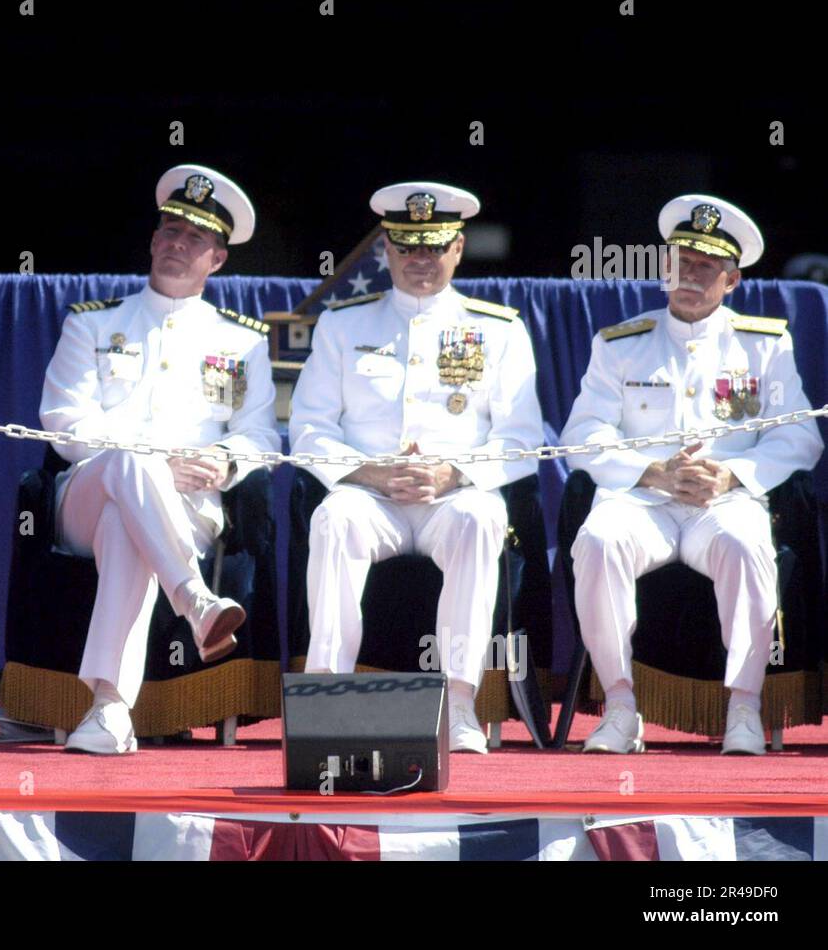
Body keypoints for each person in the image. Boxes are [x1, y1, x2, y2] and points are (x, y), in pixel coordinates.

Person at [560, 194, 824, 755]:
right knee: (598, 540)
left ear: (731, 281)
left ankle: (745, 707)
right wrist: (651, 471)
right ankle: (622, 704)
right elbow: (581, 437)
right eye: (680, 261)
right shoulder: (620, 344)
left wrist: (730, 477)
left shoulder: (764, 344)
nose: (688, 274)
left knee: (746, 545)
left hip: (722, 502)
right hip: (644, 501)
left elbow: (799, 437)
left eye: (705, 266)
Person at [290, 182, 543, 753]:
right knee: (332, 520)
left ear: (458, 247)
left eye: (433, 247)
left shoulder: (499, 328)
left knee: (481, 520)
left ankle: (458, 704)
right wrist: (368, 472)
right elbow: (309, 427)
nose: (420, 261)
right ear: (386, 249)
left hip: (453, 496)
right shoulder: (343, 325)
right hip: (370, 495)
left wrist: (455, 473)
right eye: (407, 248)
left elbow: (523, 437)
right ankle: (327, 698)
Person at [39, 164, 280, 754]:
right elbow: (63, 423)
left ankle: (110, 710)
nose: (178, 244)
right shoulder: (93, 323)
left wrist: (224, 462)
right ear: (152, 241)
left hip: (190, 506)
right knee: (128, 462)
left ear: (217, 260)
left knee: (130, 526)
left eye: (195, 239)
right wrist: (154, 462)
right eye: (170, 231)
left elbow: (261, 439)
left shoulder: (241, 342)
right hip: (86, 496)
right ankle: (196, 602)